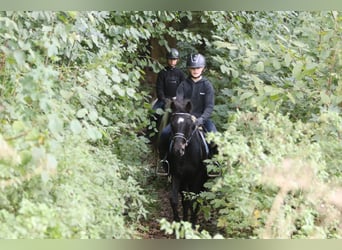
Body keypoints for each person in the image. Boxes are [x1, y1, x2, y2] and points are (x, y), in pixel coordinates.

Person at [157, 53, 217, 174]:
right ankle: (164, 162)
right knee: (164, 134)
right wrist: (185, 117)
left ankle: (214, 164)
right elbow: (178, 104)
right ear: (189, 69)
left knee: (215, 138)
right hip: (184, 119)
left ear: (203, 68)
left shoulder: (207, 86)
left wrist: (201, 119)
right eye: (193, 68)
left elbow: (209, 106)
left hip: (202, 118)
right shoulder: (183, 85)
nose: (195, 70)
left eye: (198, 68)